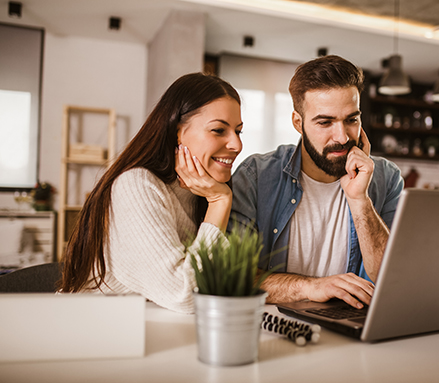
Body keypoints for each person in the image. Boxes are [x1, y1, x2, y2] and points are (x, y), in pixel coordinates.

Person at [59, 73, 243, 314]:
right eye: (219, 130)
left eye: (238, 131)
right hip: (86, 332)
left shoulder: (203, 193)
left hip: (145, 330)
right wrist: (219, 202)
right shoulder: (136, 185)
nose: (237, 145)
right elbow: (185, 295)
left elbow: (225, 285)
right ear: (177, 132)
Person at [230, 55, 404, 309]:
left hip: (353, 327)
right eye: (325, 122)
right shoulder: (255, 176)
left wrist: (359, 200)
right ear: (298, 123)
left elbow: (393, 279)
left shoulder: (385, 177)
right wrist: (312, 287)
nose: (342, 137)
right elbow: (236, 277)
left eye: (351, 120)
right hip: (276, 327)